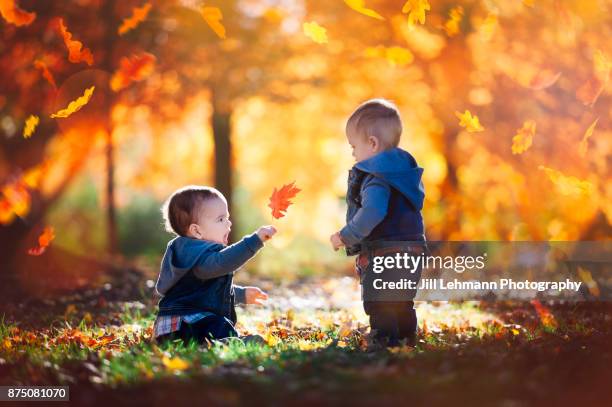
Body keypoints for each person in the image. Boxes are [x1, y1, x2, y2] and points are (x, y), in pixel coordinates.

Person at [330, 98, 426, 346]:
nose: (352, 153)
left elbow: (373, 211)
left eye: (354, 147)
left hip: (385, 249)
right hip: (414, 248)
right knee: (402, 299)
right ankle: (406, 336)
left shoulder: (376, 177)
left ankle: (384, 339)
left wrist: (346, 235)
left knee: (380, 299)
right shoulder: (405, 173)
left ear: (372, 144)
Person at [153, 185, 276, 346]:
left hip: (169, 328)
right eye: (220, 219)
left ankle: (212, 343)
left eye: (227, 217)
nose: (229, 223)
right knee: (220, 325)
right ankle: (221, 344)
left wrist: (241, 294)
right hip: (189, 323)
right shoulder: (200, 255)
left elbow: (206, 290)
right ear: (197, 231)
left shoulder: (187, 254)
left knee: (219, 324)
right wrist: (254, 241)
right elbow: (223, 262)